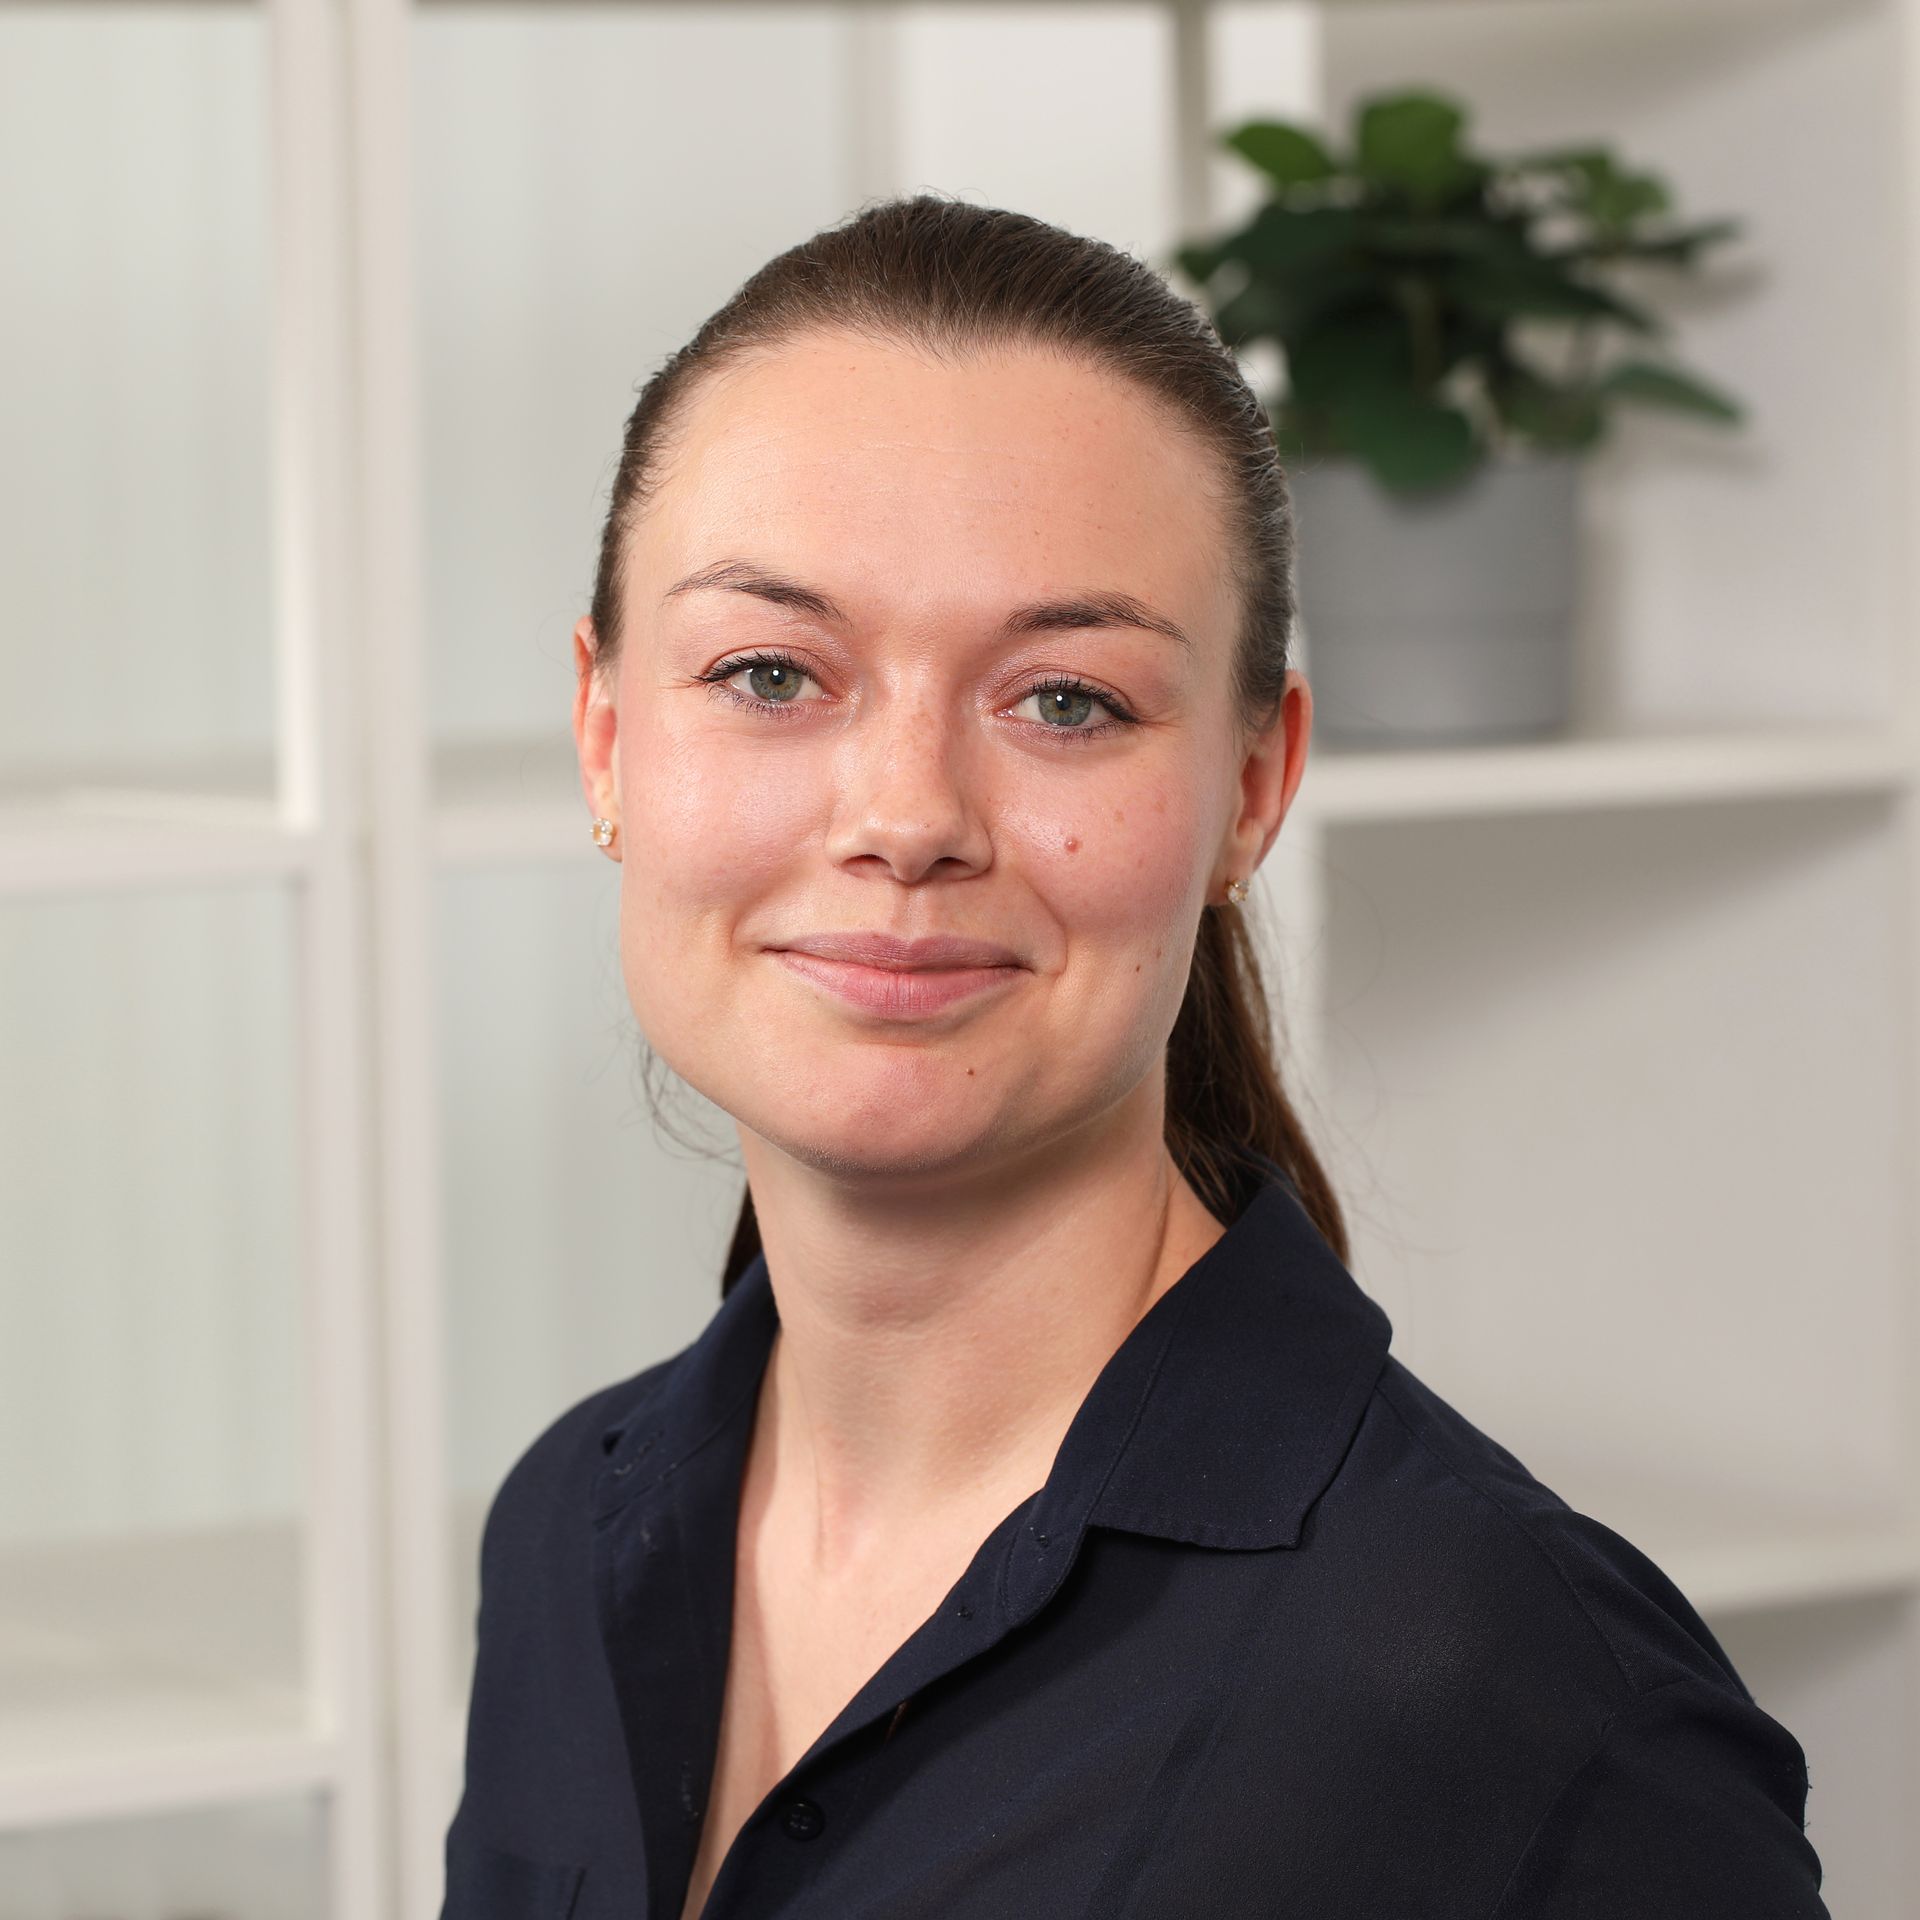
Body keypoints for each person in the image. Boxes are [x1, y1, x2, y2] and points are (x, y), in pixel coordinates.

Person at [441, 193, 1829, 1919]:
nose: (908, 817)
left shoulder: (1522, 1693)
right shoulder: (565, 1532)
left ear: (1251, 789)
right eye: (773, 674)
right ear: (605, 738)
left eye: (1066, 700)